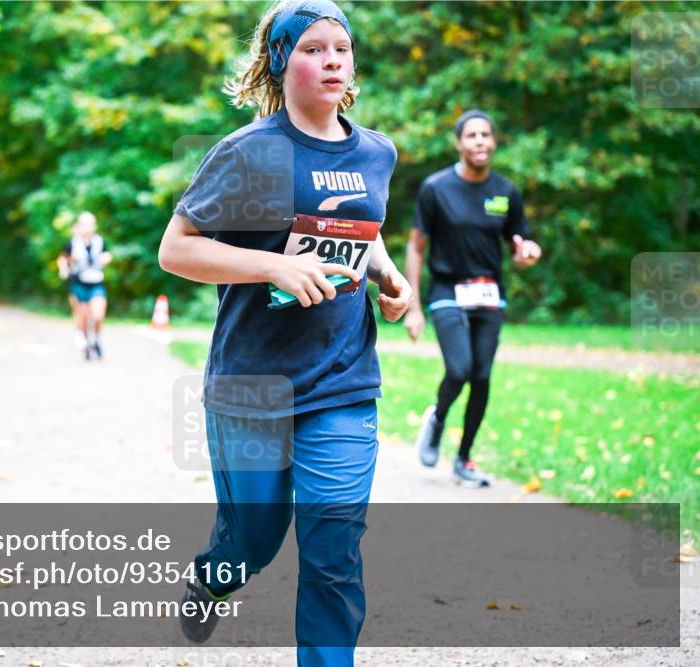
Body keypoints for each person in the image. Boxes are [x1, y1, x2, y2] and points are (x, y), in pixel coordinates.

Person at [157, 1, 411, 665]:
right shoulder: (249, 153)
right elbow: (176, 249)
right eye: (312, 49)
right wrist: (273, 265)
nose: (332, 61)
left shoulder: (376, 152)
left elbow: (363, 228)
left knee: (333, 548)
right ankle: (213, 578)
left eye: (341, 49)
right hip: (253, 383)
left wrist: (388, 276)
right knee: (254, 540)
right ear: (280, 60)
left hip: (342, 378)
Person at [405, 109, 542, 487]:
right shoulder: (436, 188)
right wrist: (413, 306)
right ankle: (437, 419)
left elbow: (519, 245)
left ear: (494, 142)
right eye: (471, 135)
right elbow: (416, 247)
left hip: (489, 292)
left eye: (485, 135)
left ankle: (464, 458)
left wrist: (526, 254)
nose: (479, 141)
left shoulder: (505, 192)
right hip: (447, 290)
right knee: (460, 369)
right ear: (459, 143)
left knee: (481, 376)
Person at [58, 212, 112, 361]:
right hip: (78, 283)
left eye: (90, 224)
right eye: (85, 224)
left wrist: (107, 258)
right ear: (79, 226)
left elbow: (107, 255)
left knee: (97, 315)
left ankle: (96, 339)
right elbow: (63, 259)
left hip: (96, 283)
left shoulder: (100, 241)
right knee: (83, 316)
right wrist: (66, 266)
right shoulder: (72, 243)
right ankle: (87, 345)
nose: (88, 227)